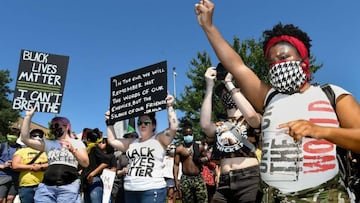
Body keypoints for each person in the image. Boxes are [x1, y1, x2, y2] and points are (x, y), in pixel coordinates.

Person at [195, 1, 360, 202]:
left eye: (283, 58)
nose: (277, 66)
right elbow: (237, 66)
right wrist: (208, 27)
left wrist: (319, 130)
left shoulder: (332, 94)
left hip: (324, 196)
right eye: (271, 63)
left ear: (303, 59)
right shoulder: (269, 97)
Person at [200, 67, 262, 202]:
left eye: (231, 90)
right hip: (224, 182)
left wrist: (229, 83)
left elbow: (252, 117)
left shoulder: (253, 118)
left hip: (249, 179)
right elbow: (205, 125)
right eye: (223, 91)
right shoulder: (219, 125)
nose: (226, 93)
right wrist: (209, 86)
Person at [106, 94, 178, 203]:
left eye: (146, 122)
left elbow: (173, 127)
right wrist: (109, 123)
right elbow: (112, 141)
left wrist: (169, 106)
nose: (142, 125)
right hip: (130, 190)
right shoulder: (132, 142)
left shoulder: (159, 139)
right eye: (139, 122)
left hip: (152, 189)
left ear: (153, 125)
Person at [20, 107, 89, 203]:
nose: (54, 129)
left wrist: (73, 150)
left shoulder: (77, 143)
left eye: (56, 125)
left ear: (66, 127)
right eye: (52, 127)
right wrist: (28, 117)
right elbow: (25, 139)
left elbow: (85, 163)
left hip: (68, 187)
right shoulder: (49, 143)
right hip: (47, 187)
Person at [173, 123, 208, 203]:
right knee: (187, 200)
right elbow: (176, 165)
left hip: (198, 177)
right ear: (183, 135)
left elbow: (207, 158)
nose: (188, 136)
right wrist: (176, 180)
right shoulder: (180, 149)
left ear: (192, 134)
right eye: (186, 134)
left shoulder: (199, 147)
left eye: (190, 134)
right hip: (186, 178)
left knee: (202, 200)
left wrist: (203, 159)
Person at [11, 128, 48, 203]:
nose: (37, 137)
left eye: (40, 136)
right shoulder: (21, 151)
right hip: (26, 186)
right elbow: (15, 166)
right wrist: (32, 167)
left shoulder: (46, 151)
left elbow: (52, 164)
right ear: (29, 137)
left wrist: (40, 167)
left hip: (44, 185)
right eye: (34, 135)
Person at [81, 135, 116, 203]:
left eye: (103, 142)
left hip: (96, 180)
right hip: (86, 181)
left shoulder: (109, 155)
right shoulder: (92, 151)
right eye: (100, 142)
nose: (100, 143)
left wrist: (92, 174)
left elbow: (108, 164)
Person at [0, 128, 21, 203]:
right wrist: (2, 166)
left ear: (18, 136)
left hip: (16, 177)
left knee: (10, 199)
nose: (11, 136)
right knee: (1, 199)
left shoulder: (21, 148)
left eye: (14, 134)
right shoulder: (2, 146)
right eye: (10, 134)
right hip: (2, 175)